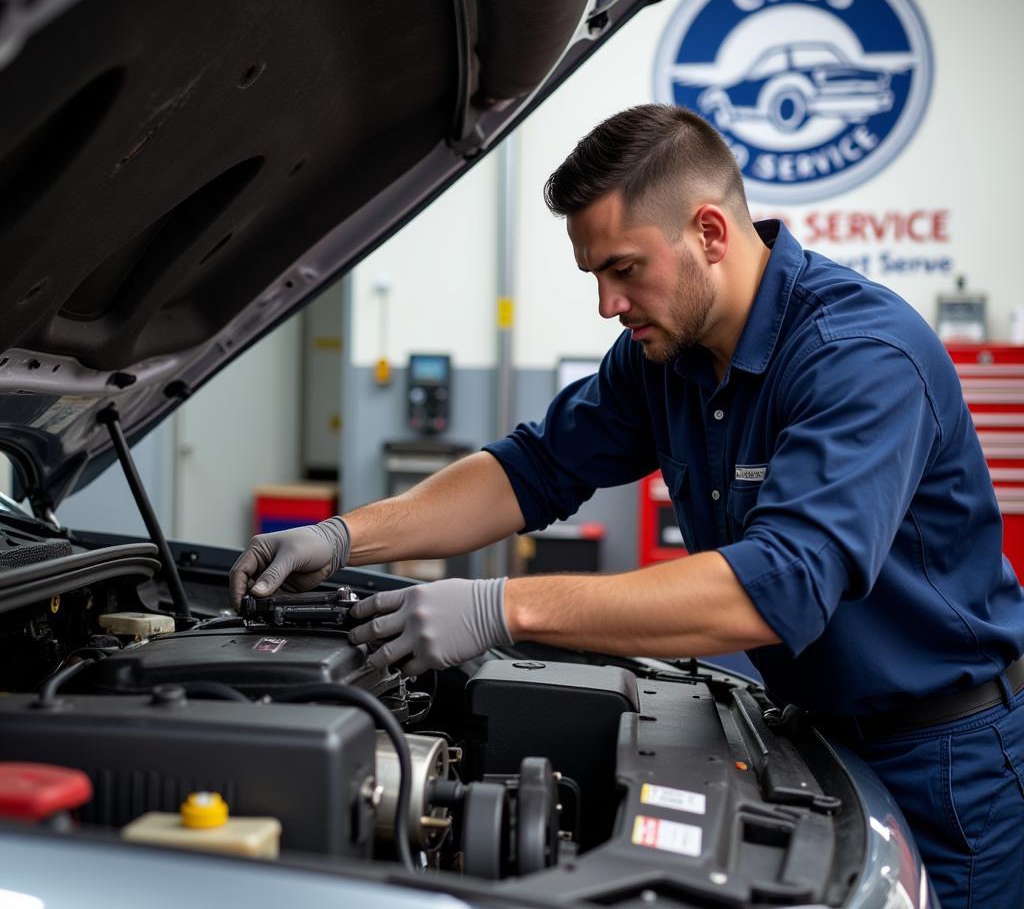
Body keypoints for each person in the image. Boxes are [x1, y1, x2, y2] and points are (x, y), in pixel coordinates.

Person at [230, 104, 1024, 907]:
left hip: (942, 762)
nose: (608, 305)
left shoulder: (858, 358)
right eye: (595, 278)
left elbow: (777, 586)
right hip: (817, 733)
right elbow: (532, 469)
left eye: (624, 269)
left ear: (710, 231)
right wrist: (340, 538)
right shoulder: (665, 356)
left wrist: (502, 607)